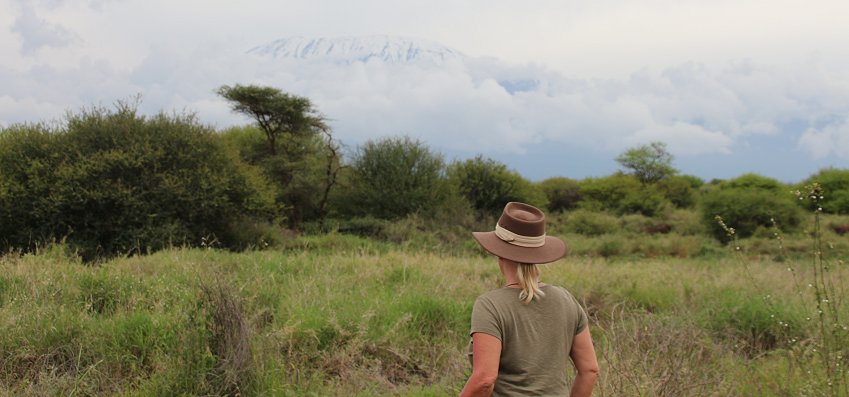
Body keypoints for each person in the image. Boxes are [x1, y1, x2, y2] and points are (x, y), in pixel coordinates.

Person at [460, 202, 599, 397]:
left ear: (498, 253)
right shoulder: (566, 299)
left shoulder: (490, 305)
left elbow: (484, 380)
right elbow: (590, 370)